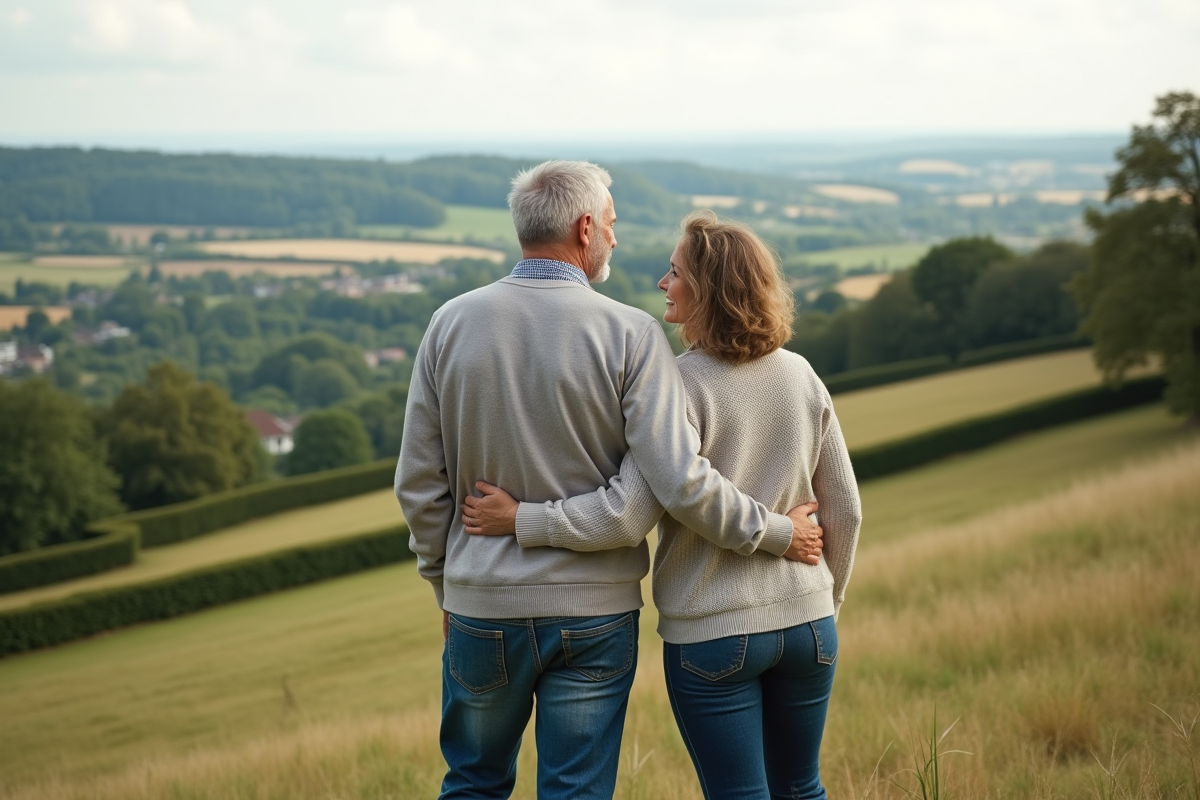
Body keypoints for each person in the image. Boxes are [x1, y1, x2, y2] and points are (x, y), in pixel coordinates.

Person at [395, 161, 823, 800]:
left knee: (472, 784)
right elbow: (640, 504)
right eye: (614, 225)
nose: (617, 241)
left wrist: (447, 582)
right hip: (595, 616)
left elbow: (418, 486)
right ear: (585, 228)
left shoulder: (448, 324)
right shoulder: (633, 334)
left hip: (480, 602)